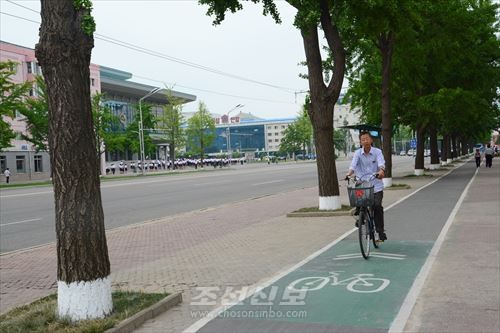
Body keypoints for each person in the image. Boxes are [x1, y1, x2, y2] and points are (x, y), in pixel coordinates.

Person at [345, 131, 387, 241]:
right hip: (362, 185)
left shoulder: (377, 152)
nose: (365, 141)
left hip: (376, 185)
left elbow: (381, 163)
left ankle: (380, 232)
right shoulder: (358, 153)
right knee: (358, 200)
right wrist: (349, 173)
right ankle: (361, 215)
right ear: (360, 142)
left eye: (367, 138)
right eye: (363, 139)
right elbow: (353, 165)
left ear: (371, 140)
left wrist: (381, 171)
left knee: (377, 206)